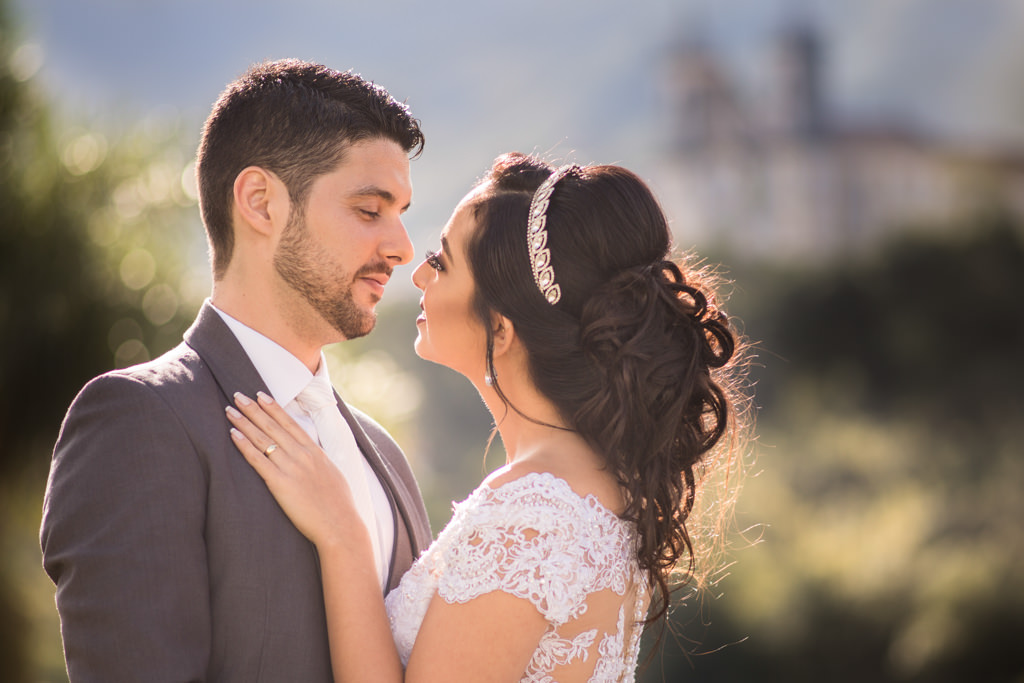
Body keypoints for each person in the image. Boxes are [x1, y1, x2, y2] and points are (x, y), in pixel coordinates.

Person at [226, 152, 747, 682]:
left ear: (500, 329)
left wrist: (343, 537)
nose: (420, 273)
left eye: (444, 261)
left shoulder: (532, 519)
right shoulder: (600, 483)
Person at [40, 58, 433, 682]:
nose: (402, 246)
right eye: (369, 209)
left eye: (402, 211)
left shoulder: (384, 457)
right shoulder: (141, 422)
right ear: (260, 202)